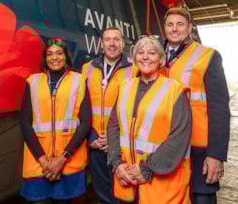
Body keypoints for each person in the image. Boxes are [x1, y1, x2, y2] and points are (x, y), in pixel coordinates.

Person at [107, 36, 192, 203]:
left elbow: (179, 137)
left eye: (152, 53)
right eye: (140, 52)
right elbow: (113, 126)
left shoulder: (174, 90)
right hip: (126, 177)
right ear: (135, 59)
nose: (145, 57)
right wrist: (117, 164)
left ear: (161, 60)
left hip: (159, 181)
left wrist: (146, 169)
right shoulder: (125, 86)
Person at [161, 7, 231, 204]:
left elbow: (220, 110)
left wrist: (216, 155)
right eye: (170, 24)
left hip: (197, 148)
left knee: (201, 199)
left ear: (190, 27)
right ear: (164, 28)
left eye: (180, 24)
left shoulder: (207, 56)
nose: (174, 29)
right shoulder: (153, 57)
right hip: (163, 148)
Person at [19, 38, 91, 204]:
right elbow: (25, 122)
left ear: (66, 57)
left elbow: (86, 122)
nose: (54, 57)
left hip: (67, 161)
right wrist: (44, 160)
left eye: (59, 53)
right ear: (45, 58)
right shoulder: (33, 81)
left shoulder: (79, 81)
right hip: (38, 163)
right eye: (49, 54)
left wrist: (62, 158)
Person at [82, 27, 138, 204]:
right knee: (103, 194)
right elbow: (79, 108)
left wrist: (116, 138)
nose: (112, 43)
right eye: (108, 39)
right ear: (101, 43)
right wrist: (91, 137)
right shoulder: (87, 69)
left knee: (125, 194)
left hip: (122, 145)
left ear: (123, 43)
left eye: (116, 39)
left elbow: (138, 110)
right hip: (96, 144)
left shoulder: (135, 69)